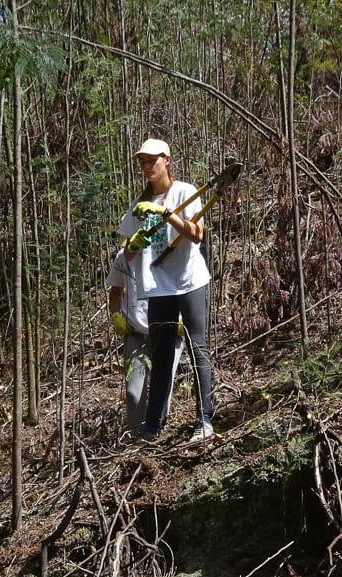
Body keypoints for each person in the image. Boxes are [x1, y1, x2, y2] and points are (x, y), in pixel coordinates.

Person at [117, 138, 216, 443]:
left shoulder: (185, 192)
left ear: (167, 160)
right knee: (160, 356)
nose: (147, 167)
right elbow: (127, 252)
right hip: (158, 288)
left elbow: (196, 235)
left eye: (152, 160)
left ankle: (205, 419)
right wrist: (134, 244)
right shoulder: (138, 204)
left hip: (189, 281)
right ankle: (152, 427)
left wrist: (165, 214)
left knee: (197, 346)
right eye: (143, 162)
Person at [106, 247, 185, 440]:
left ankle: (158, 434)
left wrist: (184, 317)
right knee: (133, 393)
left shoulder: (172, 251)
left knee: (163, 387)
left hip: (169, 330)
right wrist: (116, 316)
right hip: (136, 332)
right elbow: (116, 292)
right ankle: (137, 437)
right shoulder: (124, 256)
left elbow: (189, 288)